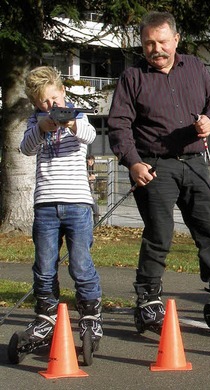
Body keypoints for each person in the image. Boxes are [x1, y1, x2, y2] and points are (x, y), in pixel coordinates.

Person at [107, 11, 210, 331]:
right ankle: (148, 299)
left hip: (196, 162)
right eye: (148, 44)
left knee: (209, 230)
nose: (156, 50)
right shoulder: (132, 78)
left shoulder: (196, 68)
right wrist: (132, 162)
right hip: (155, 166)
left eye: (162, 42)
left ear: (176, 40)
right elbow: (118, 125)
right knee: (159, 233)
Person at [19, 66, 103, 347]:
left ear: (63, 93)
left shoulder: (78, 116)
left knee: (80, 264)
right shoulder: (35, 122)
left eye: (55, 100)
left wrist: (69, 122)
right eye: (44, 102)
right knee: (44, 266)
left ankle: (90, 313)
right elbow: (26, 149)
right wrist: (43, 127)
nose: (51, 106)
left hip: (77, 203)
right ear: (35, 104)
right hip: (46, 204)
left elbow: (90, 136)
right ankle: (46, 315)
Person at [86, 154, 100, 225]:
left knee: (96, 210)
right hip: (85, 193)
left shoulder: (92, 170)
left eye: (93, 160)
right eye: (90, 160)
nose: (91, 162)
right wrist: (89, 178)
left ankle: (97, 225)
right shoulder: (84, 169)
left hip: (92, 193)